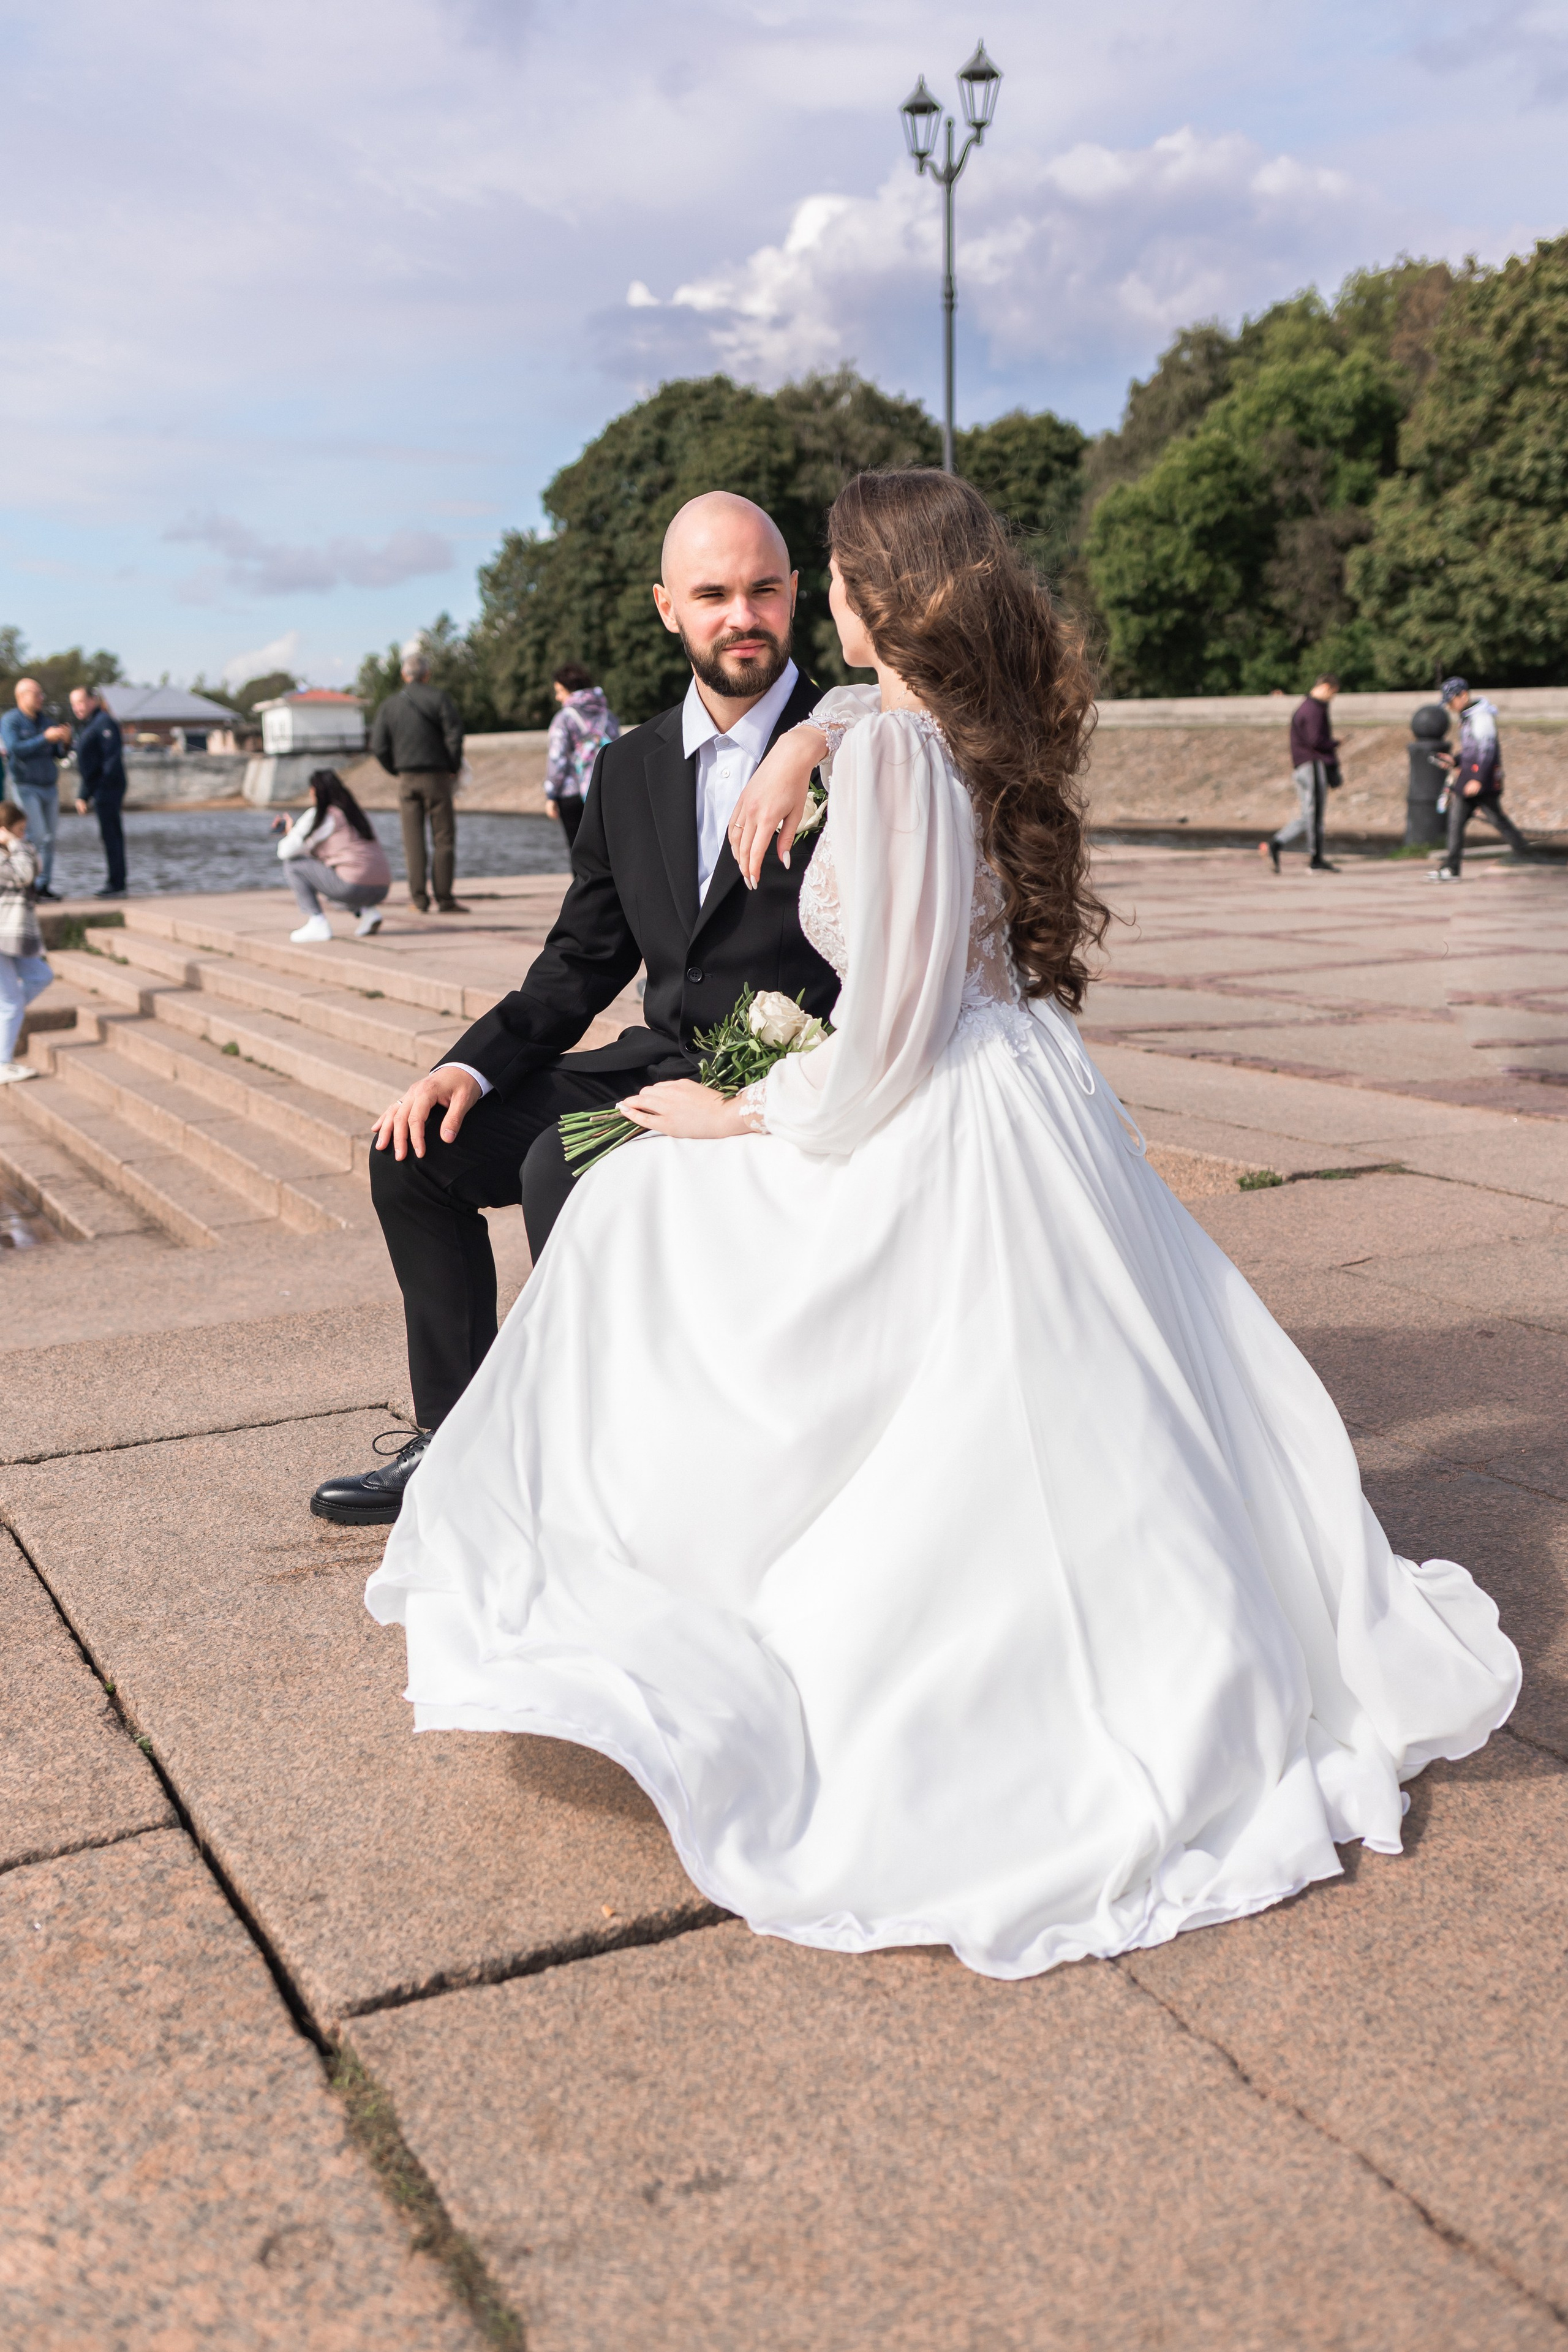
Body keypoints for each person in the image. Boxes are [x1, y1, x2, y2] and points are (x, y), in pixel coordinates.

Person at [362, 469, 1519, 1986]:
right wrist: (833, 732)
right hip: (1022, 1087)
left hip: (914, 1087)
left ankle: (637, 1535)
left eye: (813, 574)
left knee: (644, 1210)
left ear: (855, 594)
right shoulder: (953, 723)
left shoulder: (893, 746)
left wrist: (750, 1113)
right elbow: (831, 864)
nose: (792, 603)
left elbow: (890, 1023)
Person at [309, 491, 835, 1526]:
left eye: (764, 590)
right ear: (665, 609)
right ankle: (454, 1444)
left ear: (797, 596)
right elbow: (579, 961)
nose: (744, 616)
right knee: (412, 1153)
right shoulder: (627, 766)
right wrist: (463, 1067)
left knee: (566, 1160)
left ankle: (589, 1458)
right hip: (651, 1061)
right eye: (713, 594)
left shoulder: (854, 747)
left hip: (784, 1076)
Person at [370, 644, 466, 914]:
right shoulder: (439, 698)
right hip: (437, 776)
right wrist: (453, 766)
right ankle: (445, 899)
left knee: (413, 841)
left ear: (404, 676)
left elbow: (378, 746)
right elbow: (455, 735)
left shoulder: (389, 705)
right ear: (427, 674)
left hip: (407, 779)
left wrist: (395, 770)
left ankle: (418, 900)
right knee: (444, 838)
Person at [274, 769, 393, 941]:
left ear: (316, 791)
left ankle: (317, 922)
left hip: (354, 886)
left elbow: (285, 852)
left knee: (294, 865)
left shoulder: (323, 816)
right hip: (382, 887)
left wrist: (291, 832)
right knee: (328, 876)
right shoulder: (356, 814)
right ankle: (368, 912)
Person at [1431, 677, 1531, 881]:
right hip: (1469, 780)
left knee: (1498, 821)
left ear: (1464, 695)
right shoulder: (1468, 717)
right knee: (1455, 822)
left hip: (1481, 783)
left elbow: (1487, 751)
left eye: (1451, 701)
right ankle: (1451, 868)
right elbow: (1471, 751)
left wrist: (1477, 779)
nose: (1450, 706)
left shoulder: (1481, 717)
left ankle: (1529, 855)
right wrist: (1455, 760)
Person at [0, 680, 72, 902]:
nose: (42, 698)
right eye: (37, 694)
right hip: (26, 786)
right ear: (22, 696)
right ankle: (27, 882)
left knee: (50, 839)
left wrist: (66, 743)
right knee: (35, 834)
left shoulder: (46, 721)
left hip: (49, 787)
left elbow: (58, 754)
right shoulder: (11, 720)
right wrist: (44, 738)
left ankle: (43, 886)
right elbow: (15, 750)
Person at [1261, 674, 1340, 873]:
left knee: (1308, 815)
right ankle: (1316, 859)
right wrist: (1335, 744)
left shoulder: (1305, 707)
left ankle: (1276, 844)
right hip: (1312, 765)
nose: (1333, 698)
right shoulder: (1314, 709)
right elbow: (1316, 741)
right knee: (1315, 814)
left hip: (1301, 766)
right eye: (1333, 693)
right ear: (1326, 687)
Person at [0, 799, 51, 1082]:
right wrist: (16, 846)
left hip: (15, 935)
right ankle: (2, 1063)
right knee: (9, 1004)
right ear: (4, 830)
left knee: (42, 976)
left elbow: (37, 867)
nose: (24, 835)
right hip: (3, 936)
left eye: (24, 830)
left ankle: (5, 1021)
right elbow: (23, 875)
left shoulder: (18, 849)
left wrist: (18, 844)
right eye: (19, 830)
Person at [544, 663, 620, 849]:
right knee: (606, 853)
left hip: (572, 793)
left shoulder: (564, 718)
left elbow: (558, 760)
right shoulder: (607, 716)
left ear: (571, 690)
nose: (558, 697)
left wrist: (551, 794)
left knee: (579, 854)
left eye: (560, 691)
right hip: (603, 792)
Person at [69, 687, 129, 899]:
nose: (77, 707)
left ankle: (117, 883)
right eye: (74, 704)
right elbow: (90, 765)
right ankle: (115, 881)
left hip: (108, 787)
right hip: (99, 787)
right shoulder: (89, 725)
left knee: (112, 834)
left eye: (81, 702)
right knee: (108, 835)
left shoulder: (104, 722)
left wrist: (96, 789)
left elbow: (111, 760)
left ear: (93, 700)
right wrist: (84, 794)